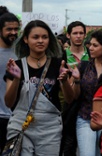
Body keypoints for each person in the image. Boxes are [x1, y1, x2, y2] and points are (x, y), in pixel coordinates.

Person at [4, 20, 74, 155]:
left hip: (50, 128)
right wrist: (17, 79)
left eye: (45, 37)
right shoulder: (15, 66)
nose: (40, 41)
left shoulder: (58, 64)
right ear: (25, 39)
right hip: (20, 125)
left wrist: (65, 81)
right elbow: (9, 102)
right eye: (35, 37)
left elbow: (69, 99)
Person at [73, 30, 102, 156]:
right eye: (90, 44)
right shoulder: (84, 66)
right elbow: (75, 96)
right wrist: (76, 81)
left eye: (95, 45)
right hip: (86, 117)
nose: (90, 48)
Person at [60, 21, 90, 156]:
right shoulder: (61, 56)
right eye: (75, 33)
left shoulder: (92, 54)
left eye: (81, 33)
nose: (78, 36)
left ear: (85, 35)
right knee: (68, 144)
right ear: (68, 35)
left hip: (89, 105)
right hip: (68, 106)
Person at [0, 13, 19, 150]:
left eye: (16, 29)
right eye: (9, 29)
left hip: (17, 116)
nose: (13, 32)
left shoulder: (22, 52)